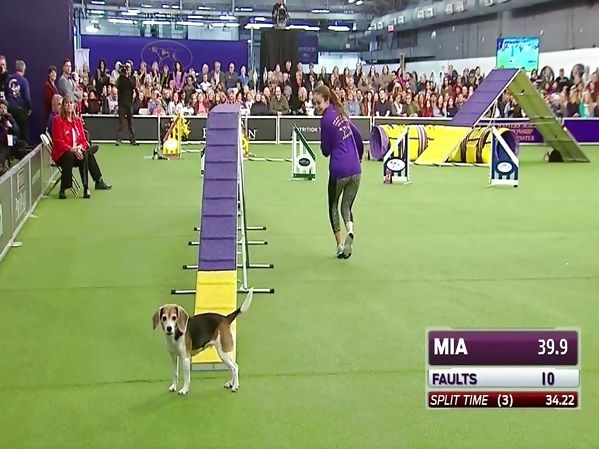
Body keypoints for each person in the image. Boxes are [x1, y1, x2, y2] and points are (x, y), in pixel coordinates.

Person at [313, 84, 363, 259]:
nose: (316, 107)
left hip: (339, 169)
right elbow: (358, 137)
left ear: (327, 100)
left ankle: (339, 245)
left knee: (333, 205)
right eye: (314, 103)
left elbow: (325, 150)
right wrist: (359, 157)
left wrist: (327, 147)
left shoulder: (326, 120)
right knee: (346, 206)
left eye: (318, 103)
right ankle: (350, 230)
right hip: (356, 170)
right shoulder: (342, 114)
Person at [51, 94, 111, 199]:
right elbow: (58, 142)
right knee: (73, 155)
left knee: (85, 154)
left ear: (74, 105)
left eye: (71, 103)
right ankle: (64, 189)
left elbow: (83, 139)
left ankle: (86, 188)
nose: (69, 105)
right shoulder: (57, 120)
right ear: (63, 106)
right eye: (66, 103)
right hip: (63, 154)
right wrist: (72, 149)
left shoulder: (77, 120)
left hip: (77, 152)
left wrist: (79, 148)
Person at [5, 60, 32, 143]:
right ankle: (24, 148)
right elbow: (27, 97)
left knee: (11, 131)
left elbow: (6, 93)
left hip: (9, 109)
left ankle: (11, 148)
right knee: (24, 133)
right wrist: (30, 108)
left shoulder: (8, 79)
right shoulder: (24, 81)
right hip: (21, 110)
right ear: (23, 69)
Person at [116, 63, 138, 145]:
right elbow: (118, 85)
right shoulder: (121, 78)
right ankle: (118, 139)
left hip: (129, 103)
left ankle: (132, 139)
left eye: (128, 67)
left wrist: (128, 76)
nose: (127, 69)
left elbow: (133, 85)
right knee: (120, 122)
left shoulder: (132, 78)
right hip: (122, 103)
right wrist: (123, 74)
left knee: (130, 122)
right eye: (126, 67)